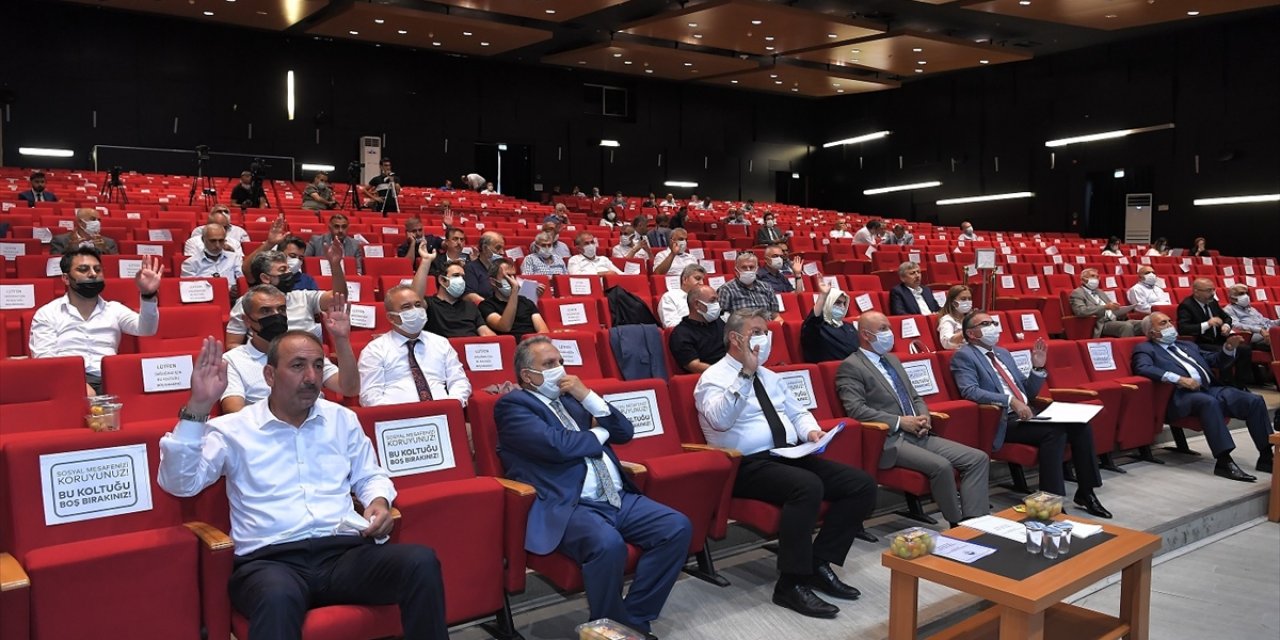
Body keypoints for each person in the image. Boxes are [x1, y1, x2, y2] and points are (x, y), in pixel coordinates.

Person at [158, 335, 449, 640]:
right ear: (269, 375)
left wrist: (378, 501)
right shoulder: (232, 429)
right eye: (298, 366)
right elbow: (180, 484)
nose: (311, 377)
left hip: (343, 554)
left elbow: (370, 475)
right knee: (277, 597)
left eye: (318, 365)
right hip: (270, 562)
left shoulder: (342, 419)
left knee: (420, 562)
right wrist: (198, 406)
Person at [494, 337, 693, 636]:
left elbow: (624, 432)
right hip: (570, 504)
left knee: (676, 527)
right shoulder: (513, 406)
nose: (559, 369)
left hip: (615, 497)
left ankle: (630, 620)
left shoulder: (572, 398)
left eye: (561, 361)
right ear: (527, 375)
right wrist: (600, 433)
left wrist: (586, 395)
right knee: (607, 544)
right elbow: (559, 446)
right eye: (549, 364)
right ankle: (611, 628)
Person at [695, 309, 877, 619]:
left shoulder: (771, 376)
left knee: (861, 485)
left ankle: (817, 563)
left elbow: (797, 412)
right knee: (807, 487)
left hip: (789, 455)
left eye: (765, 332)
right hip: (746, 465)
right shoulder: (712, 378)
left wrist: (811, 431)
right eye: (756, 332)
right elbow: (720, 420)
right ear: (735, 339)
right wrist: (745, 374)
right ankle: (790, 584)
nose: (764, 338)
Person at [950, 311, 1111, 517]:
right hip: (1002, 420)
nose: (993, 327)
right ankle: (1050, 500)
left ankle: (1086, 492)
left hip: (1028, 415)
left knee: (1080, 424)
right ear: (971, 334)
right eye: (985, 324)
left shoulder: (1002, 353)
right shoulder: (964, 356)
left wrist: (1037, 368)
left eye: (993, 323)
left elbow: (1027, 392)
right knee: (1054, 432)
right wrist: (1009, 400)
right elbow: (970, 391)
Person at [835, 311, 990, 527]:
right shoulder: (851, 366)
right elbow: (856, 410)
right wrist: (900, 421)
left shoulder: (892, 360)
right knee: (942, 466)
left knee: (978, 459)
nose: (889, 333)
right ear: (866, 335)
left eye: (889, 327)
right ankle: (957, 524)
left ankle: (976, 521)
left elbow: (914, 396)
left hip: (918, 433)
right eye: (883, 329)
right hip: (890, 440)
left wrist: (923, 416)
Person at [1132, 313, 1272, 479]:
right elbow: (1143, 368)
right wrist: (1178, 379)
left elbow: (1214, 360)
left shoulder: (1187, 345)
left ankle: (1266, 456)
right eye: (1163, 323)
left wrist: (1228, 348)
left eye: (1170, 321)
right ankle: (1224, 461)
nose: (1170, 325)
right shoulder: (1145, 348)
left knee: (1254, 400)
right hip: (1180, 396)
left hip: (1209, 388)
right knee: (1208, 402)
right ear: (1152, 332)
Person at [29, 248, 163, 395]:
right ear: (66, 278)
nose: (93, 274)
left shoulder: (114, 309)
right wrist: (77, 385)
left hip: (111, 379)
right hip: (68, 381)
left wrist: (148, 295)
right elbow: (45, 361)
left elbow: (146, 329)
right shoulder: (47, 313)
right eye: (83, 269)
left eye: (97, 269)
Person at [221, 287, 357, 413]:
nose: (276, 316)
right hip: (266, 429)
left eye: (281, 310)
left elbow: (350, 388)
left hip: (318, 422)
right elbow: (234, 412)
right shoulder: (232, 360)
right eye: (266, 311)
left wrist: (341, 339)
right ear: (247, 321)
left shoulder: (306, 349)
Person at [359, 285, 472, 407]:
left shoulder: (440, 343)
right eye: (406, 307)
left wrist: (452, 406)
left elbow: (459, 381)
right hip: (397, 416)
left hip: (443, 412)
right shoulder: (375, 350)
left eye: (418, 305)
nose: (415, 310)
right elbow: (369, 395)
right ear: (391, 317)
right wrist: (396, 414)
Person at [226, 241, 348, 349]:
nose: (289, 273)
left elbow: (338, 297)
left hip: (308, 355)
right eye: (283, 270)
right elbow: (232, 344)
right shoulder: (246, 303)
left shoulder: (304, 297)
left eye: (288, 269)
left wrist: (335, 265)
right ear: (265, 278)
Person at [1178, 278, 1254, 386]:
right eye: (1208, 290)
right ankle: (1226, 383)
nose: (1212, 293)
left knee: (1244, 349)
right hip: (1201, 343)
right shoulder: (1186, 306)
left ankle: (1241, 384)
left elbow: (1227, 318)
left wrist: (1226, 326)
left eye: (1213, 290)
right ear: (1196, 291)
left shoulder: (1212, 302)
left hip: (1218, 340)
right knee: (1226, 351)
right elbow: (1183, 328)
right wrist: (1207, 324)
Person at [409, 246, 495, 338]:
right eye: (456, 275)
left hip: (470, 345)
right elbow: (414, 298)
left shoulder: (470, 306)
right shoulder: (430, 304)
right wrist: (426, 261)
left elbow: (485, 333)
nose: (461, 280)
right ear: (442, 280)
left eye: (463, 277)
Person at [479, 259, 548, 342]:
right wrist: (514, 290)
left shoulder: (526, 301)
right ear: (493, 282)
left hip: (532, 344)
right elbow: (504, 327)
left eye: (513, 276)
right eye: (507, 276)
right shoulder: (486, 305)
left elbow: (544, 331)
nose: (513, 281)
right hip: (510, 346)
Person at [668, 285, 725, 374]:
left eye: (717, 300)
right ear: (697, 304)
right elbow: (694, 366)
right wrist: (724, 371)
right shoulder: (681, 334)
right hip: (712, 376)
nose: (717, 305)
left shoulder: (719, 322)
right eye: (712, 301)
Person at [1069, 268, 1140, 337]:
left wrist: (1119, 310)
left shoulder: (1100, 291)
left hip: (1114, 319)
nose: (1095, 279)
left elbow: (1110, 307)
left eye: (1097, 277)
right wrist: (1105, 307)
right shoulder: (1077, 293)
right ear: (1083, 279)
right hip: (1100, 323)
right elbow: (1080, 311)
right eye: (1092, 276)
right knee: (1126, 326)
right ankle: (1128, 345)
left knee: (1143, 323)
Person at [800, 281, 860, 363]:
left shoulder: (849, 327)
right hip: (834, 369)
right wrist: (822, 296)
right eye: (838, 303)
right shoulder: (816, 327)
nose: (842, 307)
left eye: (844, 303)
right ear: (827, 303)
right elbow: (813, 319)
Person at [181, 222, 244, 295]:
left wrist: (238, 287)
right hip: (204, 299)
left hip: (232, 298)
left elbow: (242, 280)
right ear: (203, 240)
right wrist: (227, 289)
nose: (217, 245)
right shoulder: (190, 263)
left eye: (221, 241)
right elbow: (188, 291)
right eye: (213, 241)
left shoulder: (235, 258)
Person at [717, 252, 779, 317]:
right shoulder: (726, 289)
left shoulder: (767, 287)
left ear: (757, 270)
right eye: (744, 267)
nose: (748, 270)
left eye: (751, 267)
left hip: (766, 322)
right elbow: (722, 317)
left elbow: (775, 315)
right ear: (736, 271)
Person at [1223, 284, 1277, 348]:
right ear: (1232, 298)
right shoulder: (1229, 309)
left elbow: (1267, 322)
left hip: (1267, 332)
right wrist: (1259, 330)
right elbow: (1236, 325)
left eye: (1246, 293)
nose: (1245, 296)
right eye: (1241, 294)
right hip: (1253, 336)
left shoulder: (1251, 309)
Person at [185, 206, 250, 257]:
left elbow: (242, 264)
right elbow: (191, 264)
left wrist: (232, 252)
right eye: (216, 226)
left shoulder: (235, 243)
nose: (220, 230)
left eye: (224, 227)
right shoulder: (193, 242)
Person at [50, 208, 119, 255]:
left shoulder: (109, 242)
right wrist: (70, 249)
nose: (97, 222)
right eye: (93, 219)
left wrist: (105, 249)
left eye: (99, 220)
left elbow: (114, 263)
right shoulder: (60, 240)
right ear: (80, 222)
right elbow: (56, 264)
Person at [463, 231, 505, 303]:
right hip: (484, 307)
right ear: (485, 248)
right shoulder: (470, 268)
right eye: (498, 248)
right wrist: (491, 306)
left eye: (503, 248)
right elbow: (469, 296)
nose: (502, 252)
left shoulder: (502, 269)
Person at [936, 285, 974, 350]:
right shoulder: (947, 320)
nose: (967, 302)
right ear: (953, 302)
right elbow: (946, 343)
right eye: (963, 299)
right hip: (961, 353)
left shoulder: (971, 318)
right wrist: (964, 333)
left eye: (969, 299)